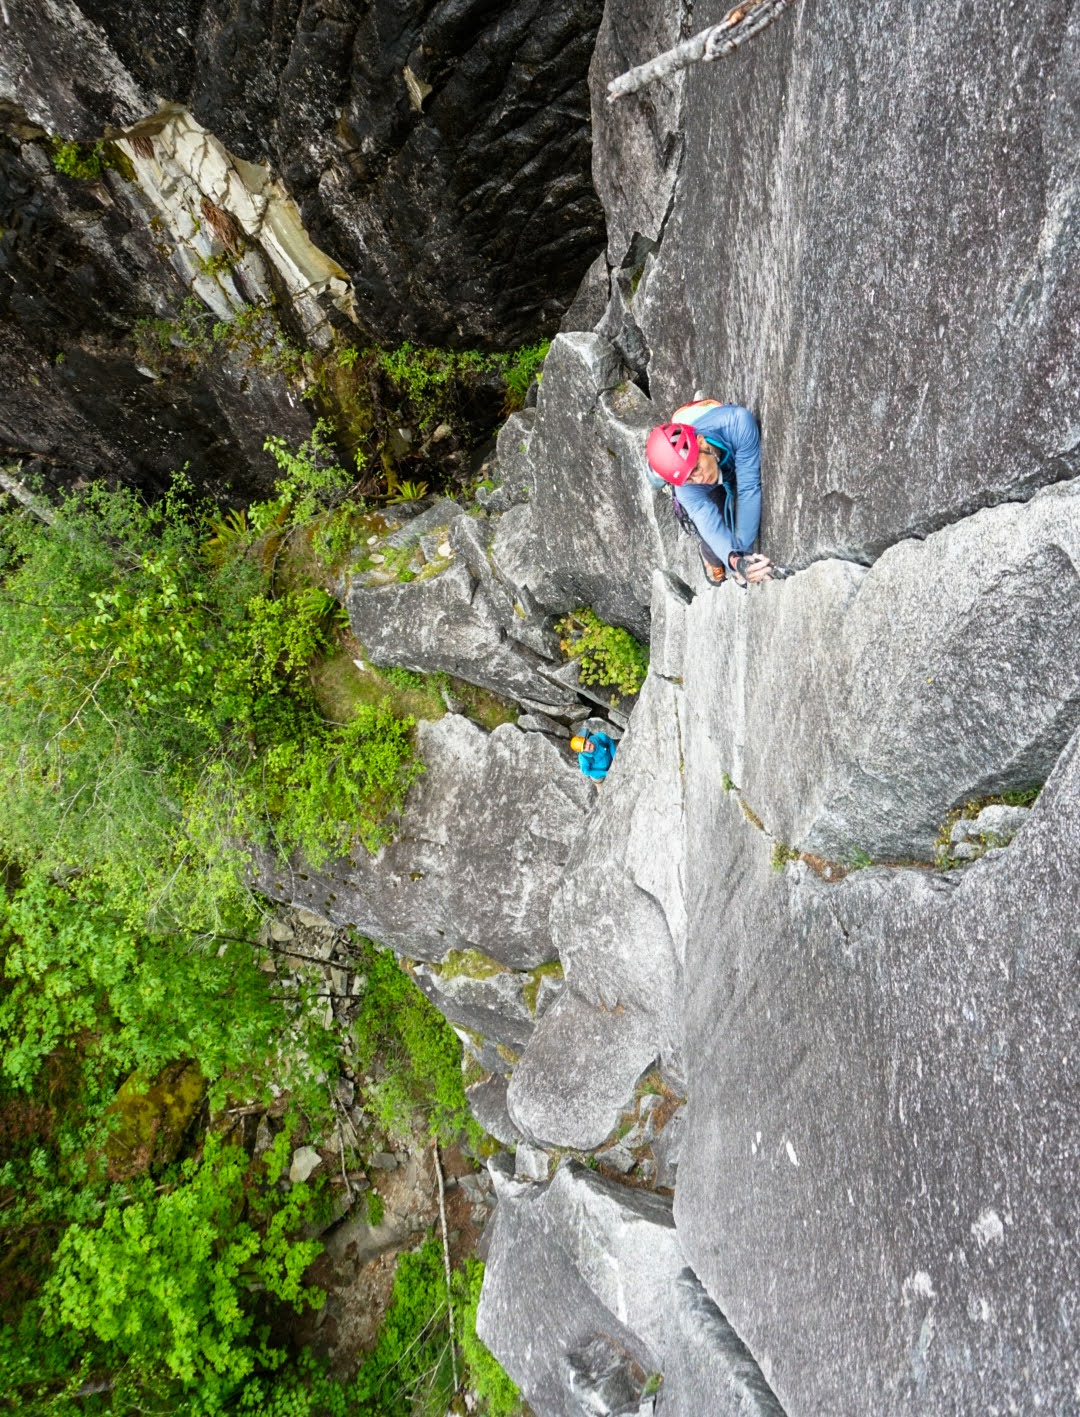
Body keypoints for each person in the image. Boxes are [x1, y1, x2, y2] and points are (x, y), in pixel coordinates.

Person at [645, 399, 773, 586]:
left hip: (724, 453)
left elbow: (748, 487)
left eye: (696, 469)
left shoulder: (737, 424)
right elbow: (710, 525)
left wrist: (743, 552)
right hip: (709, 479)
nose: (698, 478)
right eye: (688, 477)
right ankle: (709, 558)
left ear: (701, 442)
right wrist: (737, 562)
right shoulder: (686, 487)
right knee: (712, 535)